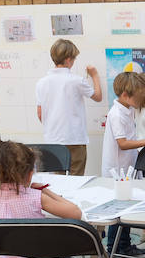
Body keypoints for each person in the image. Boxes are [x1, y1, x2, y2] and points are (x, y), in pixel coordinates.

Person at [101, 71, 145, 258]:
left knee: (127, 209)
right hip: (117, 170)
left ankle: (126, 245)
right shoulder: (116, 115)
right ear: (125, 95)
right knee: (118, 212)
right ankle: (114, 250)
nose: (142, 98)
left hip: (127, 169)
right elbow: (123, 143)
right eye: (139, 94)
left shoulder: (127, 109)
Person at [35, 39, 102, 176]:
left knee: (58, 179)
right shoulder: (76, 80)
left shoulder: (41, 83)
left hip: (53, 139)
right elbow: (97, 97)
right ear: (68, 60)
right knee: (76, 177)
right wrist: (94, 75)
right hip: (75, 138)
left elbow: (40, 113)